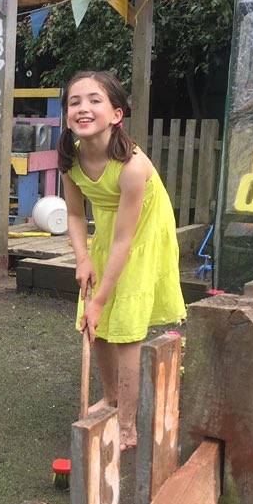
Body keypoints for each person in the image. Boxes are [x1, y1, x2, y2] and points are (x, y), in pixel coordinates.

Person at [60, 71, 185, 449]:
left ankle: (127, 424)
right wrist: (82, 258)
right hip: (108, 231)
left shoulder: (132, 166)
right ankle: (111, 397)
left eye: (95, 100)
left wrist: (100, 301)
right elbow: (76, 214)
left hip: (140, 233)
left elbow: (125, 241)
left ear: (116, 114)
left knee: (125, 325)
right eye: (75, 101)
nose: (83, 107)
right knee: (93, 320)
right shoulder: (71, 158)